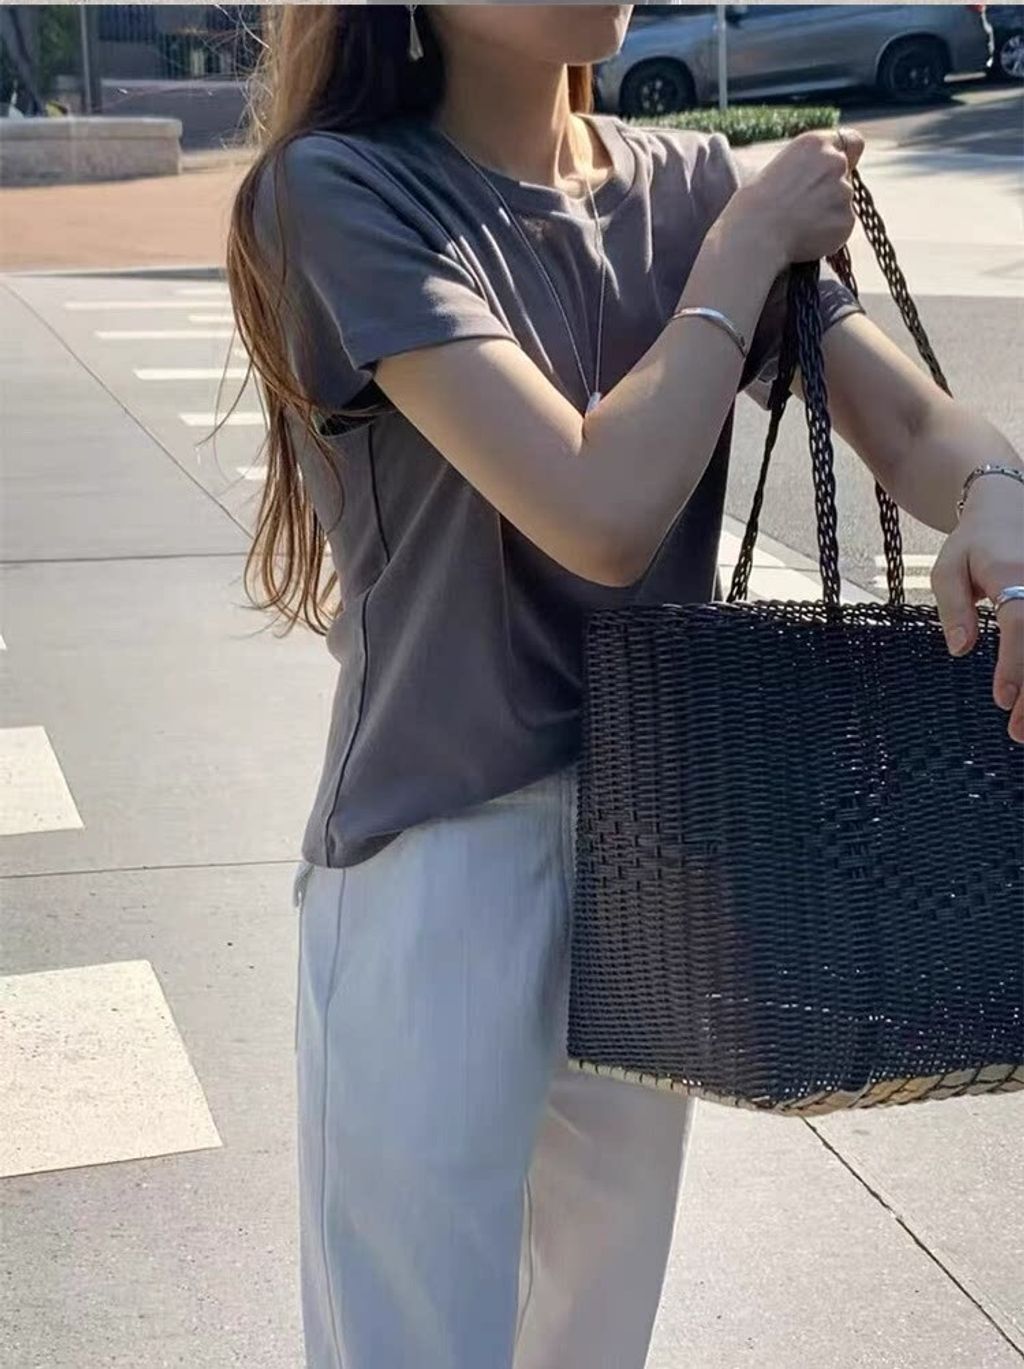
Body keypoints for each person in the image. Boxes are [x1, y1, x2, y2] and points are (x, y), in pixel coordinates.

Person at [225, 6, 1024, 1366]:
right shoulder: (340, 190)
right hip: (439, 856)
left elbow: (907, 421)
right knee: (410, 1342)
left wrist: (995, 494)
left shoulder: (689, 185)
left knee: (592, 1339)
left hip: (658, 856)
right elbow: (597, 508)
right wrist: (744, 248)